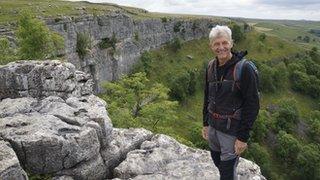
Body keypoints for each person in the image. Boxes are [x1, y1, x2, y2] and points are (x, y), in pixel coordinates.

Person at [202, 25, 260, 180]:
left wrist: (243, 137)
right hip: (213, 127)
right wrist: (205, 123)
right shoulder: (210, 66)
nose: (221, 47)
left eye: (224, 43)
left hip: (231, 132)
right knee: (216, 161)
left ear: (231, 43)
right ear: (211, 46)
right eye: (216, 44)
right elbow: (207, 95)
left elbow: (252, 104)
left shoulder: (244, 68)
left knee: (227, 172)